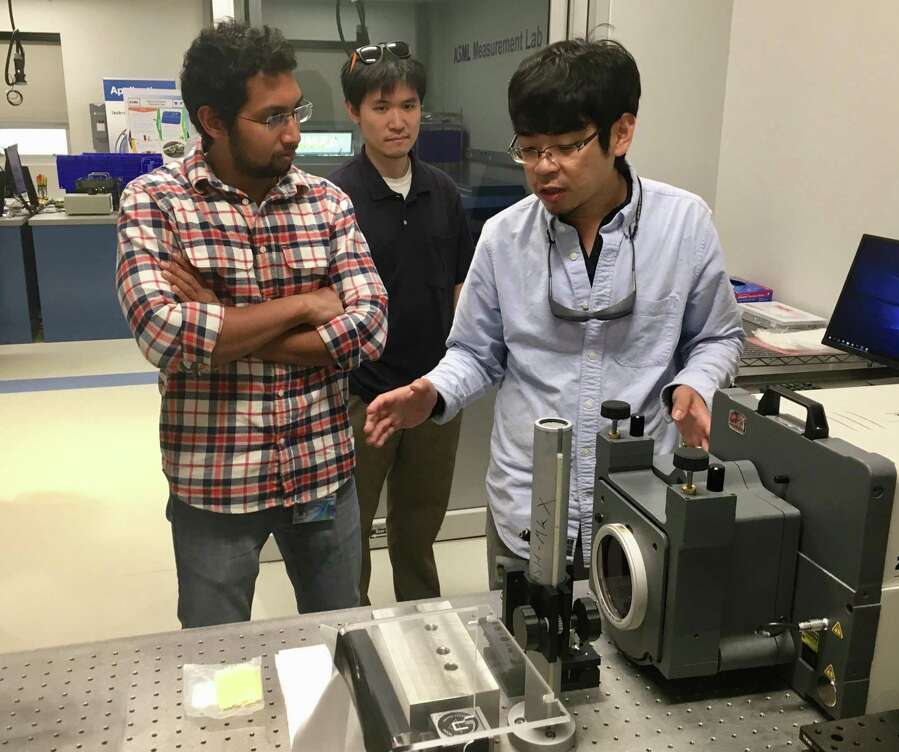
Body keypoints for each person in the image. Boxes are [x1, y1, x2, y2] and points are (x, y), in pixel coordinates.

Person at [362, 39, 744, 589]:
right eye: (530, 149)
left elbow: (718, 336)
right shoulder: (503, 237)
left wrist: (696, 384)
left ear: (621, 133)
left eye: (566, 147)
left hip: (642, 508)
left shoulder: (683, 225)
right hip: (527, 507)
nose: (543, 169)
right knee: (523, 659)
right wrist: (434, 391)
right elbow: (475, 352)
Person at [115, 22, 388, 628]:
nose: (293, 133)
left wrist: (222, 318)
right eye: (272, 118)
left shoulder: (326, 202)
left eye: (296, 111)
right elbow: (165, 336)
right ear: (212, 121)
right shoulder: (155, 202)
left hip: (321, 473)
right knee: (216, 666)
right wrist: (304, 305)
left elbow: (369, 328)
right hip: (216, 483)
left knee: (342, 638)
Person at [327, 42, 474, 604]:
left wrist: (453, 373)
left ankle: (424, 631)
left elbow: (462, 285)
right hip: (361, 395)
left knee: (419, 529)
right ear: (354, 112)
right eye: (381, 107)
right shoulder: (336, 198)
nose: (397, 121)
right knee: (351, 531)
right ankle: (355, 638)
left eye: (409, 106)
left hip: (433, 392)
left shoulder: (443, 192)